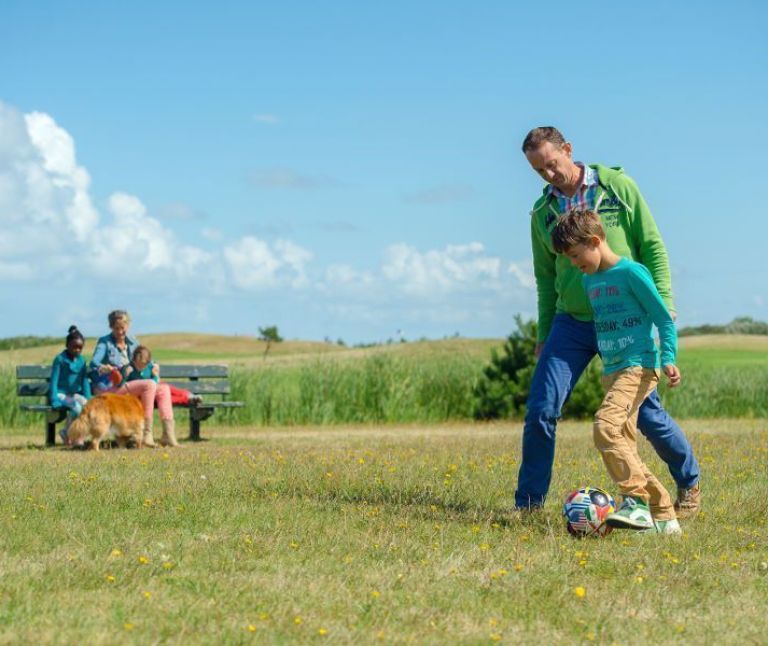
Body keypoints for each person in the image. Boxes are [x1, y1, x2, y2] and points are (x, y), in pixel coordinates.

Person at [517, 126, 700, 517]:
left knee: (646, 417)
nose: (548, 175)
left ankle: (688, 481)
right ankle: (528, 505)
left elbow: (651, 244)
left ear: (567, 149)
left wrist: (663, 303)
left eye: (551, 164)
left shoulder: (617, 187)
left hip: (625, 321)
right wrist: (544, 333)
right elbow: (545, 279)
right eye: (539, 171)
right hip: (572, 323)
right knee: (541, 408)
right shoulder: (542, 213)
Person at [551, 209, 681, 534]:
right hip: (612, 371)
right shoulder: (589, 279)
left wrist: (668, 357)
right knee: (625, 447)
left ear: (595, 241)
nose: (574, 264)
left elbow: (663, 319)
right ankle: (664, 516)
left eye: (577, 256)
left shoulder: (632, 273)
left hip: (638, 367)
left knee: (605, 428)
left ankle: (635, 503)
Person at [89, 310, 182, 448]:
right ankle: (145, 434)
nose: (120, 331)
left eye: (123, 327)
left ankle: (168, 436)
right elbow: (94, 363)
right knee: (150, 385)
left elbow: (146, 358)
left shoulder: (133, 341)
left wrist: (154, 366)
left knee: (163, 389)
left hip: (133, 384)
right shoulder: (105, 342)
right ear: (111, 327)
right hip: (116, 386)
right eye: (117, 328)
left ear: (128, 325)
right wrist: (104, 367)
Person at [120, 344, 203, 406]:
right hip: (143, 397)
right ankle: (188, 399)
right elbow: (124, 387)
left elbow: (155, 382)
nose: (140, 368)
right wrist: (125, 376)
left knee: (166, 387)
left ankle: (189, 395)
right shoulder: (129, 368)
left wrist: (155, 375)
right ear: (133, 360)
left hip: (155, 390)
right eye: (137, 365)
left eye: (143, 366)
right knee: (165, 397)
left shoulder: (150, 367)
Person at [50, 325, 92, 446]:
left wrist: (88, 398)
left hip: (74, 394)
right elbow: (54, 381)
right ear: (67, 345)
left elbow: (84, 381)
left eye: (80, 347)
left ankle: (73, 434)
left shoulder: (82, 361)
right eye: (74, 347)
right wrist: (54, 399)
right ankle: (72, 434)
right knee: (76, 407)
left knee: (87, 407)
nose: (77, 350)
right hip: (61, 394)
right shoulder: (60, 360)